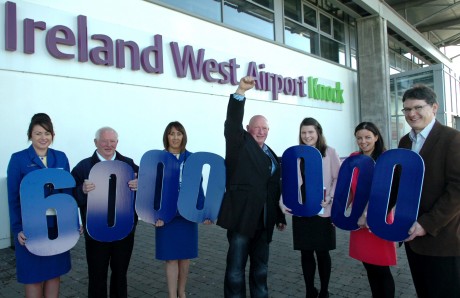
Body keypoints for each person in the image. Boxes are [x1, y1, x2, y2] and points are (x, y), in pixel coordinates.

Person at [217, 76, 286, 298]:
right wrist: (240, 92)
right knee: (236, 271)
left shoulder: (272, 155)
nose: (260, 131)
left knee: (261, 270)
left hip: (264, 223)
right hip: (241, 219)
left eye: (264, 128)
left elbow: (272, 188)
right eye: (256, 127)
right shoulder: (239, 144)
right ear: (248, 129)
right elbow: (232, 122)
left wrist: (279, 216)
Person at [398, 84, 460, 297]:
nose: (411, 114)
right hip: (412, 238)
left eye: (417, 108)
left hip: (442, 239)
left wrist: (427, 223)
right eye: (406, 109)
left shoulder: (452, 139)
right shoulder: (405, 142)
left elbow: (457, 190)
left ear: (434, 108)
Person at [7, 113, 72, 297]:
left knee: (53, 275)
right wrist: (17, 228)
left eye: (47, 133)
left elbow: (67, 193)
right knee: (33, 277)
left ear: (52, 135)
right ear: (30, 135)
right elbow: (13, 198)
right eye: (38, 133)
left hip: (56, 228)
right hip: (31, 229)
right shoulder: (18, 159)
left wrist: (73, 224)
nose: (43, 138)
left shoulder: (60, 157)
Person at [71, 127, 139, 298]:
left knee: (120, 275)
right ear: (95, 142)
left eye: (112, 141)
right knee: (96, 276)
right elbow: (70, 197)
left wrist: (140, 184)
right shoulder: (83, 167)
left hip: (124, 232)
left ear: (117, 142)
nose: (108, 145)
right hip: (96, 233)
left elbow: (147, 189)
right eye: (104, 141)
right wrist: (82, 190)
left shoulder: (130, 164)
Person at [154, 121, 211, 298]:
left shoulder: (192, 159)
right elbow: (154, 189)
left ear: (184, 136)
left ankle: (182, 292)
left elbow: (199, 187)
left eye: (179, 134)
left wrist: (203, 212)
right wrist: (155, 214)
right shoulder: (158, 159)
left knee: (185, 257)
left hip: (187, 215)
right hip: (166, 216)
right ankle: (172, 295)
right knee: (171, 257)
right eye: (172, 134)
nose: (175, 137)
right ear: (167, 137)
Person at [291, 117, 340, 298]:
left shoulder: (329, 152)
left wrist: (330, 197)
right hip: (302, 211)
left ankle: (325, 290)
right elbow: (290, 181)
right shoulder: (297, 154)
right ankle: (309, 290)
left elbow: (337, 178)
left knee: (322, 252)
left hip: (322, 210)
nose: (307, 136)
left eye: (311, 132)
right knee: (305, 253)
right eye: (304, 132)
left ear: (318, 133)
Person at [348, 122, 396, 298]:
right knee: (368, 265)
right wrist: (338, 211)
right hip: (358, 220)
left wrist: (367, 215)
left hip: (377, 218)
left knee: (382, 268)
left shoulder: (385, 159)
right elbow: (349, 190)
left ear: (376, 137)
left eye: (368, 137)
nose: (363, 141)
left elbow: (385, 192)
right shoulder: (354, 158)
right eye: (359, 138)